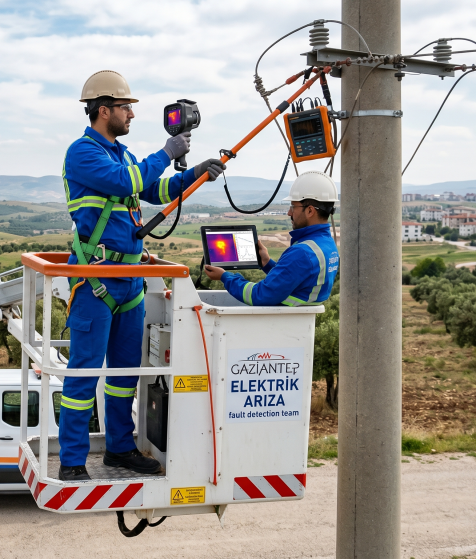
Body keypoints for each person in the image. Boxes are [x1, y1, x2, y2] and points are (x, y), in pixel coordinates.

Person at [59, 70, 225, 481]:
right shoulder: (83, 153)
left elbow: (154, 190)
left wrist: (195, 173)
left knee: (123, 376)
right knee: (84, 375)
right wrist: (167, 152)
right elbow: (125, 183)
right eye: (125, 107)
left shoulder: (123, 154)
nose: (131, 114)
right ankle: (72, 460)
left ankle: (119, 449)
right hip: (95, 281)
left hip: (130, 282)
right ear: (104, 111)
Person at [204, 171, 340, 306]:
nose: (289, 213)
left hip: (285, 319)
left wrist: (225, 277)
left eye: (293, 207)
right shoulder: (327, 244)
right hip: (299, 317)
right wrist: (267, 263)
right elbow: (293, 279)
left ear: (310, 211)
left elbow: (260, 295)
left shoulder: (302, 252)